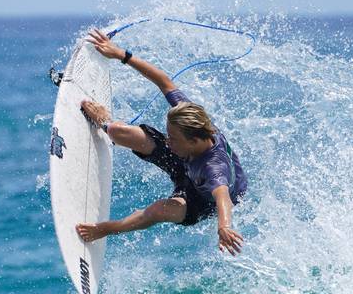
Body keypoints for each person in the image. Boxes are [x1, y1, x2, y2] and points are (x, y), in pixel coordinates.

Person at [74, 28, 248, 255]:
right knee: (119, 131)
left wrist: (224, 227)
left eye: (173, 138)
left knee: (160, 210)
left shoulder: (214, 169)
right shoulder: (188, 117)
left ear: (194, 140)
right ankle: (104, 122)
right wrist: (120, 54)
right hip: (186, 160)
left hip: (201, 200)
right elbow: (164, 82)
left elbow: (222, 195)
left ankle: (107, 228)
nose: (168, 141)